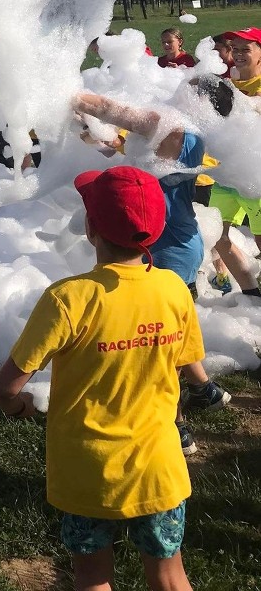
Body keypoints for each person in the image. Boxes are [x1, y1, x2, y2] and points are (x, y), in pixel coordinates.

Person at [0, 167, 203, 591]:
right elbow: (183, 364)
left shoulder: (67, 298)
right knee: (169, 577)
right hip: (158, 470)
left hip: (86, 472)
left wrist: (18, 408)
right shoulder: (174, 289)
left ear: (90, 228)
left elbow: (6, 386)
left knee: (91, 578)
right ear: (159, 227)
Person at [73, 80, 232, 453]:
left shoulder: (174, 126)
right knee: (174, 331)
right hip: (174, 242)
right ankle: (203, 390)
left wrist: (64, 93)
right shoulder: (182, 135)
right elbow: (121, 149)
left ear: (198, 101)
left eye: (190, 87)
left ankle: (177, 427)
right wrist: (89, 131)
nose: (181, 87)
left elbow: (112, 109)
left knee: (160, 343)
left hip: (168, 248)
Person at [207, 28, 261, 298]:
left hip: (256, 177)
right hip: (227, 173)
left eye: (246, 49)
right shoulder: (229, 82)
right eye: (235, 49)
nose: (238, 54)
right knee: (218, 235)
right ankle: (252, 294)